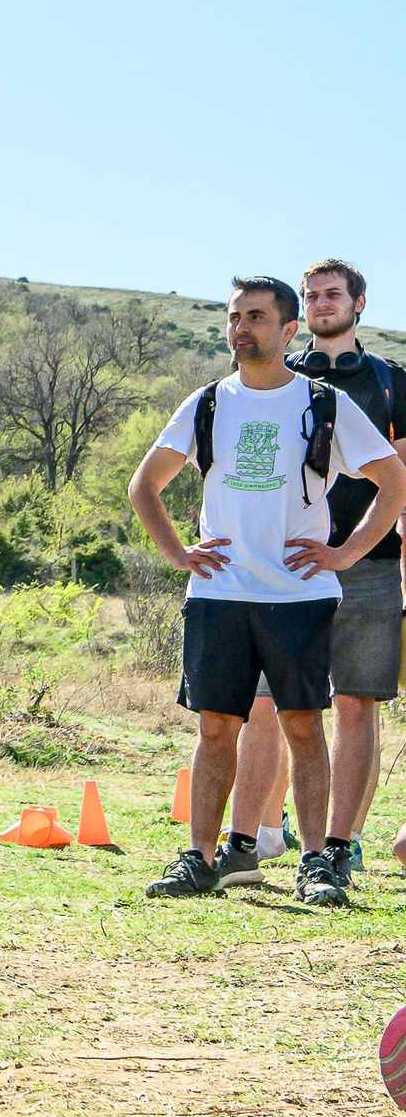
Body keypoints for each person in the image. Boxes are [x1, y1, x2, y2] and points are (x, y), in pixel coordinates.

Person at [130, 278, 405, 907]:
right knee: (216, 727)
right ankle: (200, 859)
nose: (240, 328)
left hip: (299, 597)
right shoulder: (206, 403)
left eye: (255, 317)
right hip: (218, 594)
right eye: (233, 318)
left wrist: (346, 553)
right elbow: (145, 484)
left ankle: (317, 864)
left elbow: (393, 480)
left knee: (304, 727)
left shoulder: (324, 403)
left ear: (288, 331)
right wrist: (177, 553)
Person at [220, 260, 401, 883]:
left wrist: (353, 551)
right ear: (300, 316)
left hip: (370, 565)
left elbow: (401, 481)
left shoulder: (391, 382)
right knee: (268, 705)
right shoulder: (276, 378)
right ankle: (253, 841)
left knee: (356, 704)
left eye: (335, 294)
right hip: (285, 568)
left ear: (358, 303)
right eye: (314, 296)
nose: (324, 304)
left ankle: (338, 847)